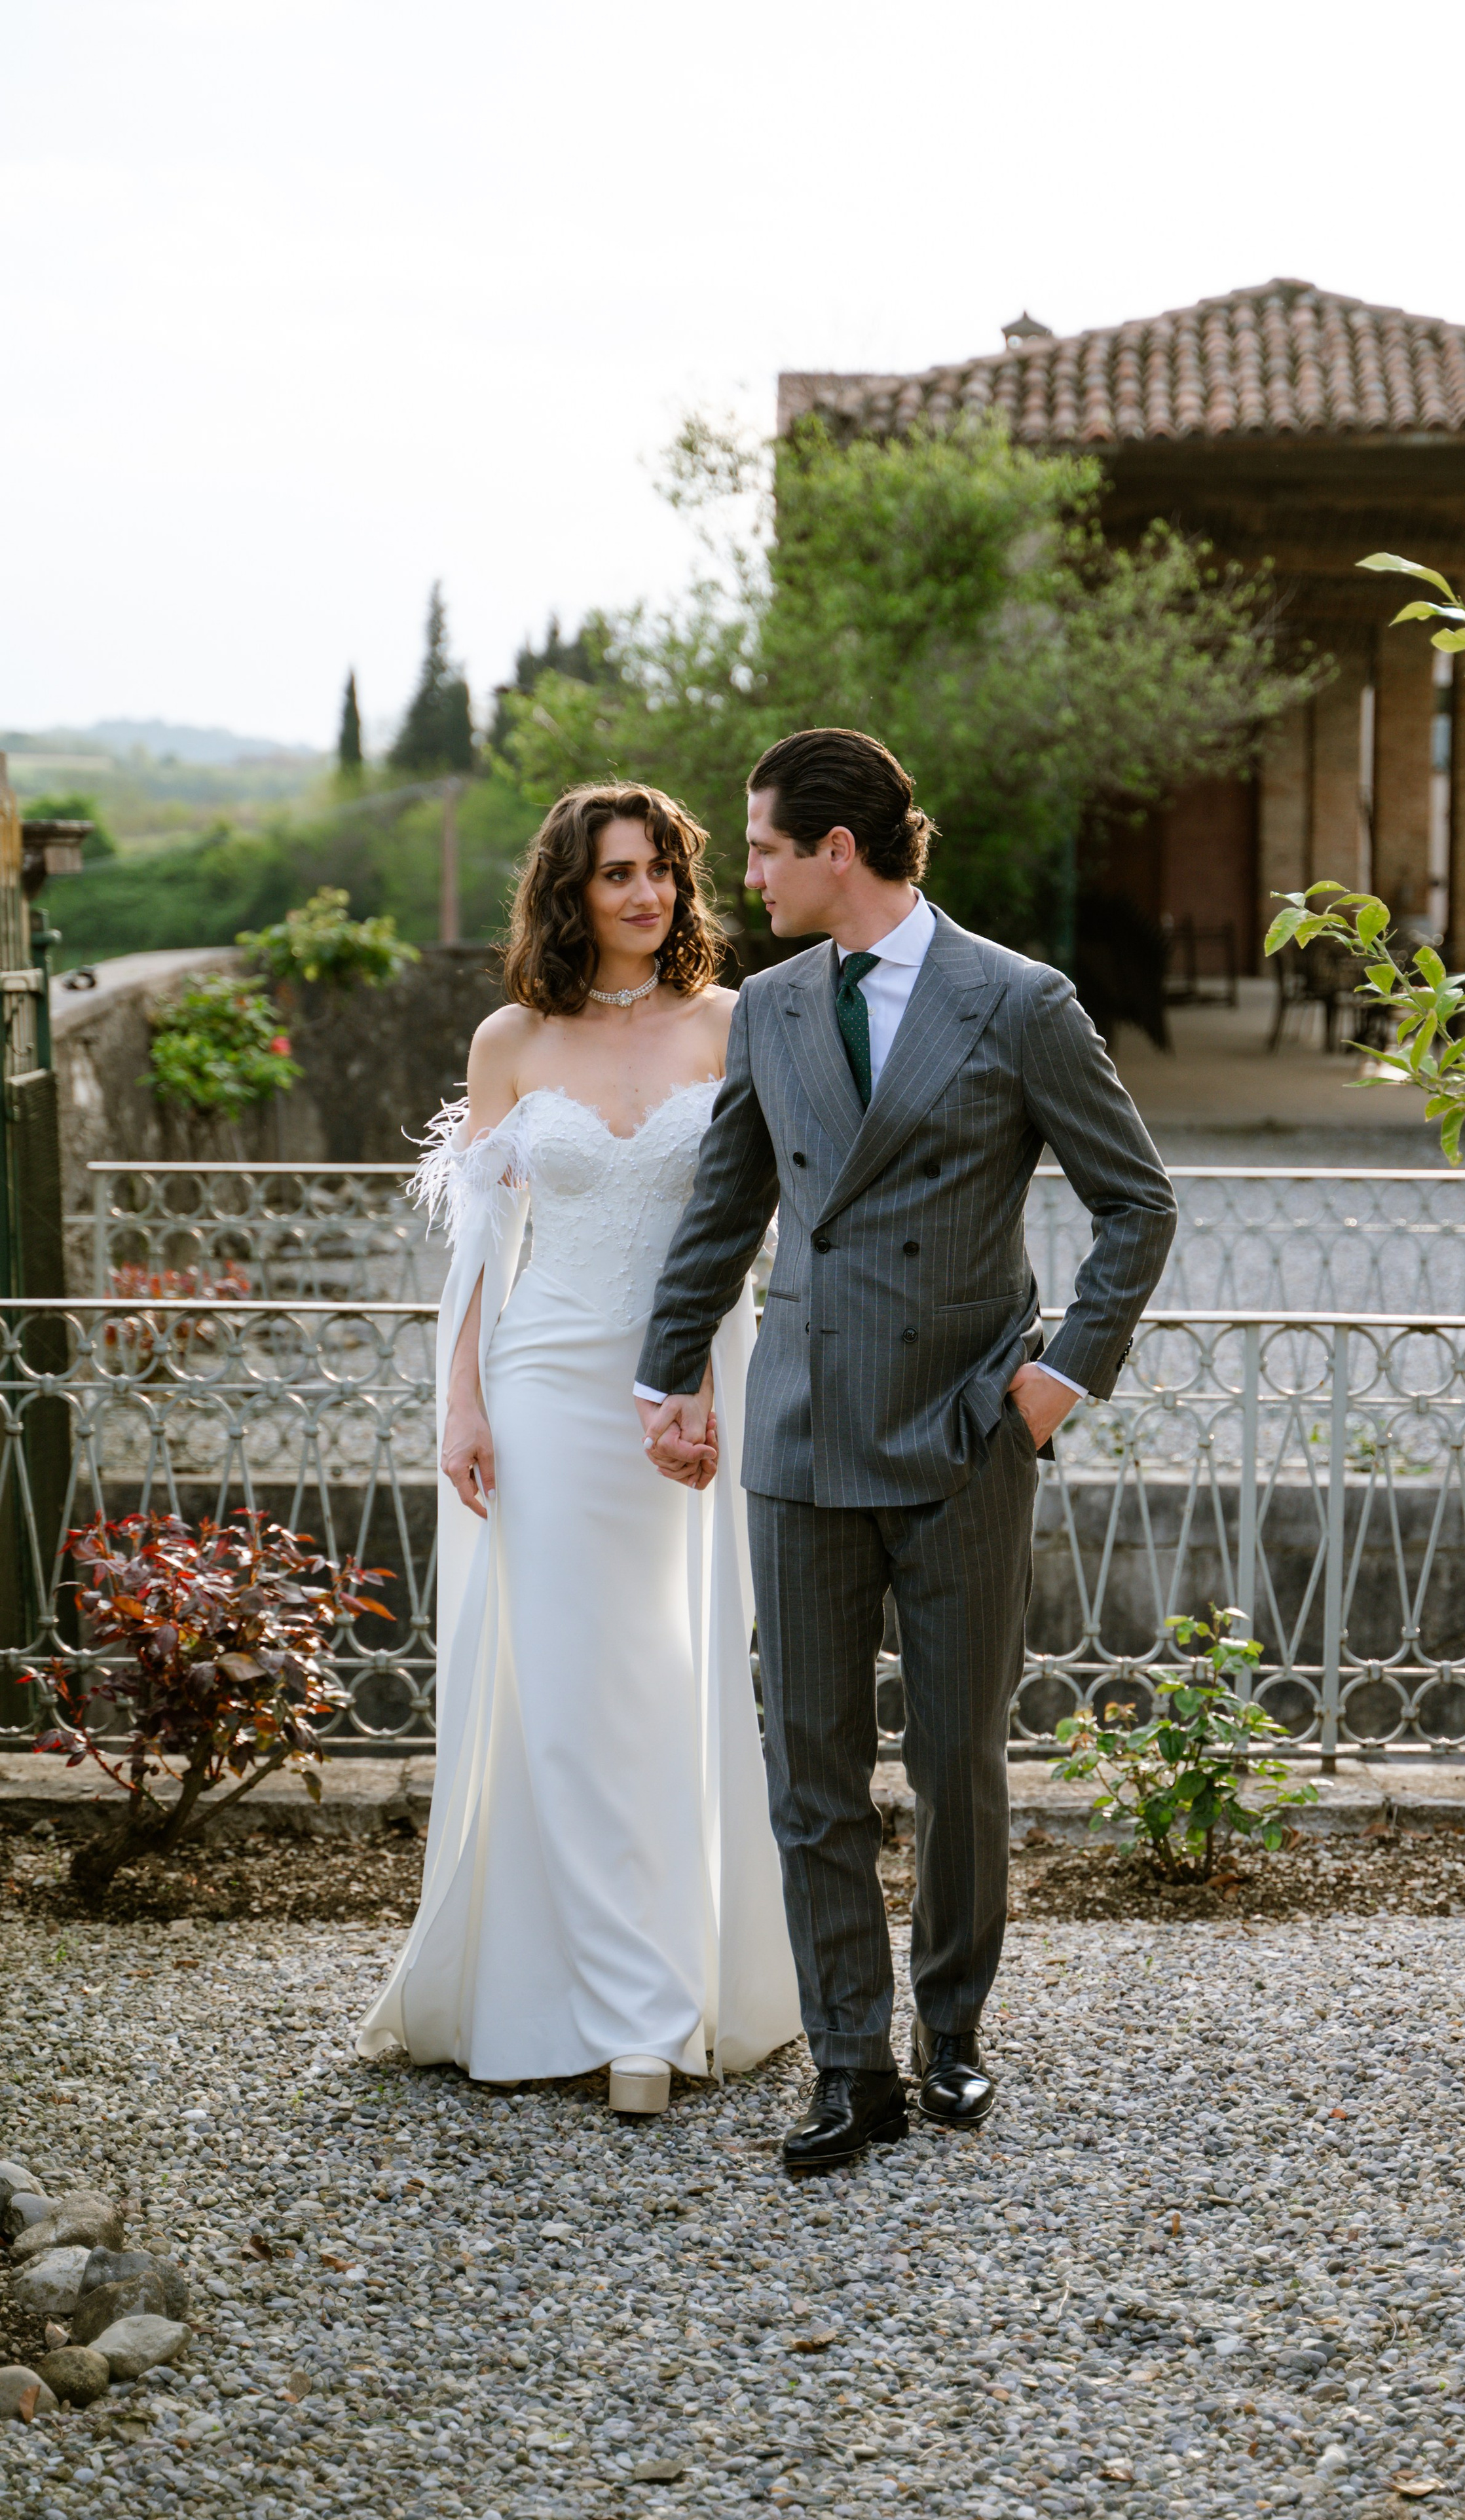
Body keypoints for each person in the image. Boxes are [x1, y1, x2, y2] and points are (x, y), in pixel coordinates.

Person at [636, 728, 1176, 2169]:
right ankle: (847, 2063)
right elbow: (721, 1208)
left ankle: (952, 2035)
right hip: (802, 1433)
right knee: (808, 1771)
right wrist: (664, 1374)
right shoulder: (769, 1008)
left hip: (962, 1433)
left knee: (955, 1760)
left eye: (759, 847)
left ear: (836, 851)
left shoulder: (1017, 1000)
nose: (738, 873)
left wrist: (1058, 1375)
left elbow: (1136, 1203)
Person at [358, 783, 801, 2106]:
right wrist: (462, 1401)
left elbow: (769, 1216)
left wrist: (730, 1378)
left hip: (687, 1385)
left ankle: (664, 2010)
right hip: (542, 1380)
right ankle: (595, 2008)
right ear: (571, 890)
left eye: (661, 868)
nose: (644, 894)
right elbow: (485, 1244)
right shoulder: (512, 1040)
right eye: (615, 872)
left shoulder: (734, 1023)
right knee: (553, 1684)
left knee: (670, 1675)